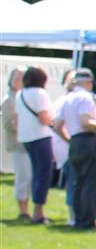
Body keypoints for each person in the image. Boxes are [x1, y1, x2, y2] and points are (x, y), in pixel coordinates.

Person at [54, 67, 96, 231]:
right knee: (92, 182)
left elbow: (57, 126)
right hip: (87, 140)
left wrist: (69, 140)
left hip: (75, 141)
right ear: (88, 82)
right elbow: (85, 122)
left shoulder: (67, 99)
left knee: (78, 182)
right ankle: (88, 220)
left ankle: (78, 218)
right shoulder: (86, 98)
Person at [13, 67, 56, 224]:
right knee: (43, 174)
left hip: (26, 137)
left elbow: (17, 119)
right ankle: (38, 211)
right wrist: (54, 120)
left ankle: (33, 209)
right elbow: (44, 118)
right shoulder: (40, 94)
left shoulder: (20, 94)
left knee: (36, 173)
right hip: (41, 136)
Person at [3, 68, 29, 220]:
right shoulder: (9, 100)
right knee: (22, 177)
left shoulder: (23, 97)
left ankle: (27, 207)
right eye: (17, 78)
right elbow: (8, 124)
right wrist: (25, 128)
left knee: (29, 177)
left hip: (27, 143)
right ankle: (22, 210)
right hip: (17, 144)